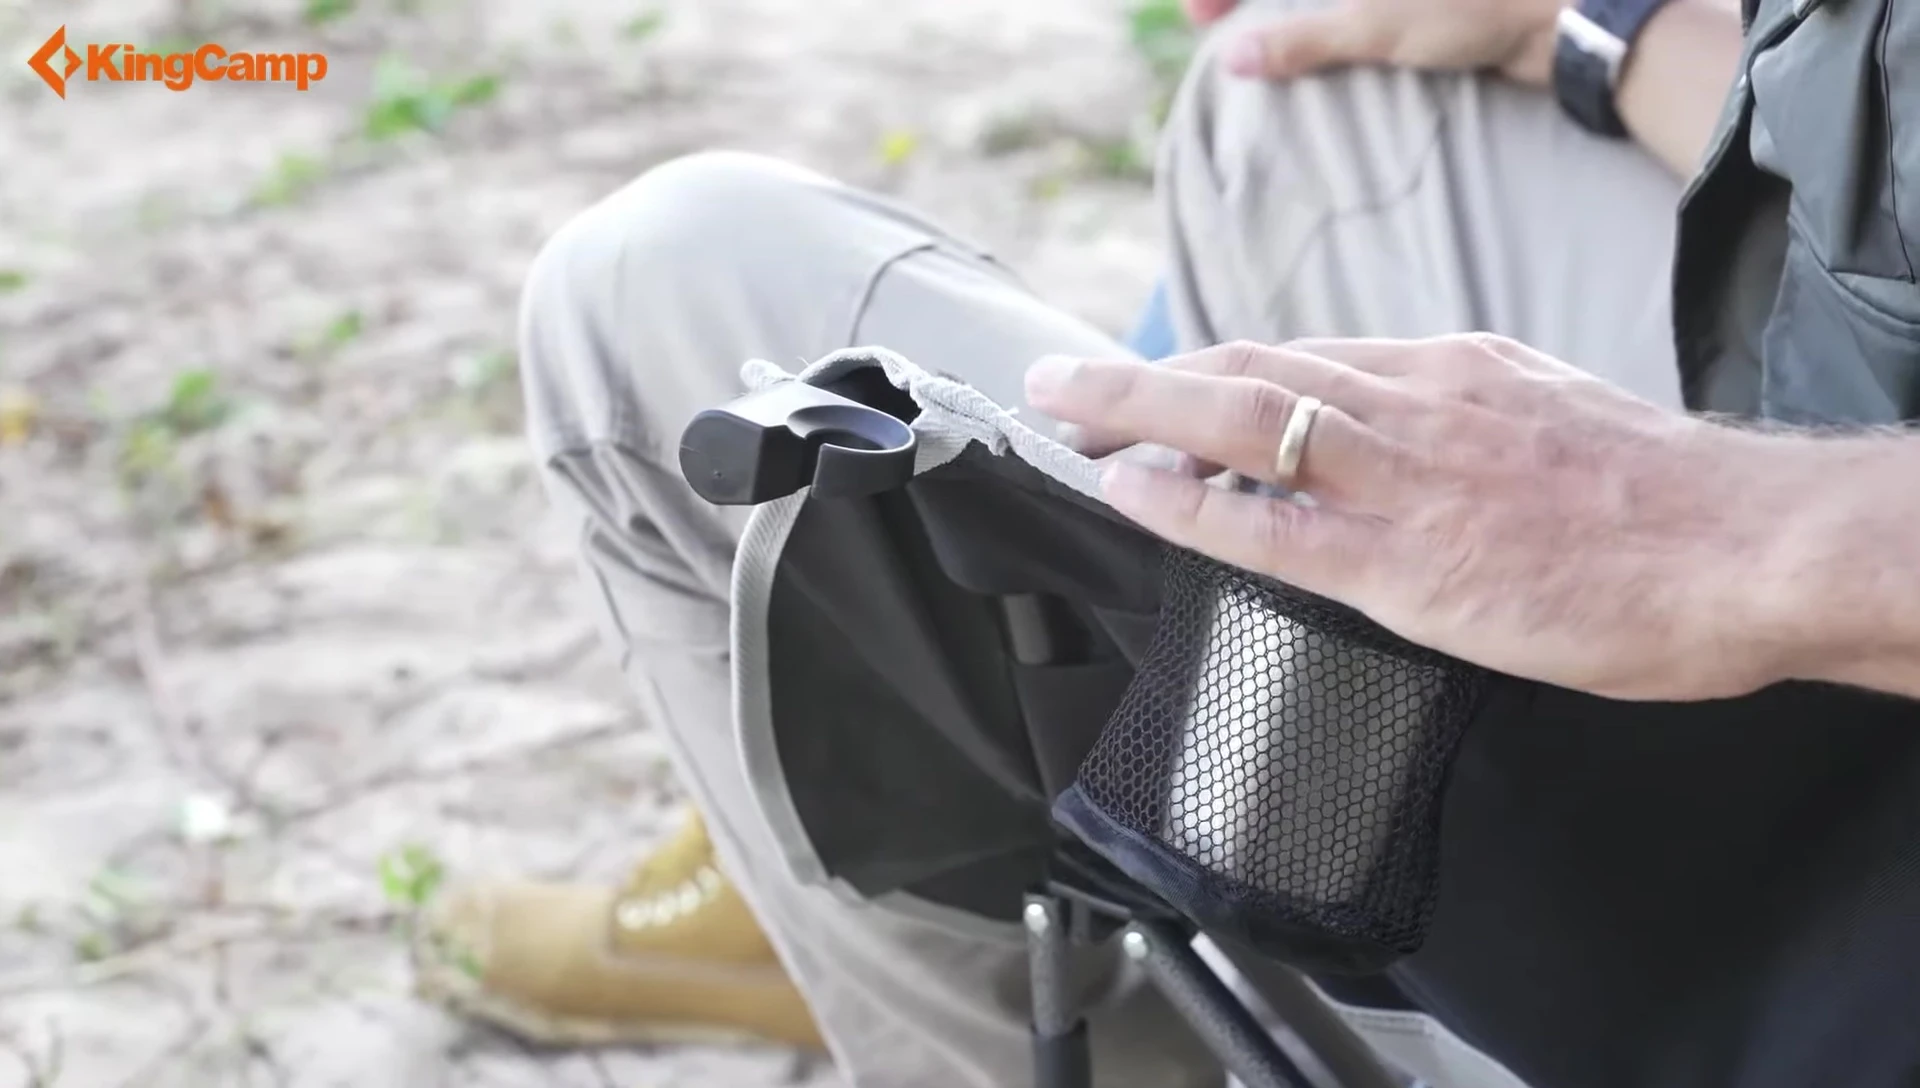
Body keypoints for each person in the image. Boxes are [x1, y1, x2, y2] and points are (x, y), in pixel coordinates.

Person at [416, 0, 1920, 1082]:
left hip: (1822, 891)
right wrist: (1577, 29)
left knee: (652, 288)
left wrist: (1732, 536)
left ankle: (1123, 821)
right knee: (1301, 99)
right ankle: (1146, 800)